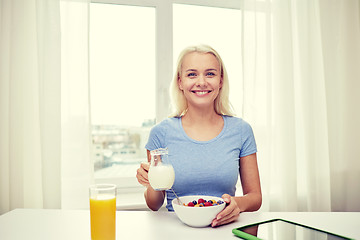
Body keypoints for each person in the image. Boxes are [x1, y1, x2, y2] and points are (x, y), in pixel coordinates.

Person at [136, 44, 262, 227]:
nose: (201, 82)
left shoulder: (241, 130)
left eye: (210, 73)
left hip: (225, 229)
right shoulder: (160, 133)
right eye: (192, 74)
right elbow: (154, 204)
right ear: (180, 82)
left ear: (220, 81)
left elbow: (255, 197)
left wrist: (237, 204)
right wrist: (151, 182)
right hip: (177, 232)